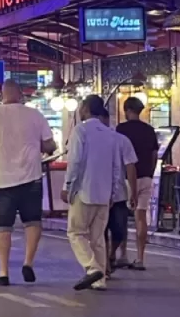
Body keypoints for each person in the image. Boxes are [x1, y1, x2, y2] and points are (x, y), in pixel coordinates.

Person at [0, 80, 55, 286]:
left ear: (1, 95)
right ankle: (28, 263)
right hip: (31, 178)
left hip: (2, 181)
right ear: (20, 94)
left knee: (3, 227)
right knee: (33, 222)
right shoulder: (35, 114)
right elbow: (49, 145)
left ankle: (3, 272)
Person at [62, 94, 117, 290]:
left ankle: (92, 268)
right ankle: (100, 280)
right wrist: (114, 192)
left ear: (85, 108)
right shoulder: (110, 134)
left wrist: (67, 186)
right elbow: (116, 166)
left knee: (75, 232)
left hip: (84, 190)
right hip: (104, 193)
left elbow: (75, 161)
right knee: (97, 237)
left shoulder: (81, 130)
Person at [116, 96, 159, 270]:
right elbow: (154, 155)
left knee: (122, 217)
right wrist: (150, 171)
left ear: (127, 110)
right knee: (141, 216)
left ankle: (123, 254)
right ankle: (140, 258)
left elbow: (117, 154)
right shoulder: (149, 130)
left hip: (126, 177)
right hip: (146, 176)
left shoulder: (121, 129)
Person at [102, 109, 137, 276]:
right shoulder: (92, 141)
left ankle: (110, 255)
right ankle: (104, 263)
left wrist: (133, 192)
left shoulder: (121, 140)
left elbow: (131, 166)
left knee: (119, 230)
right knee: (100, 231)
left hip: (119, 194)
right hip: (98, 194)